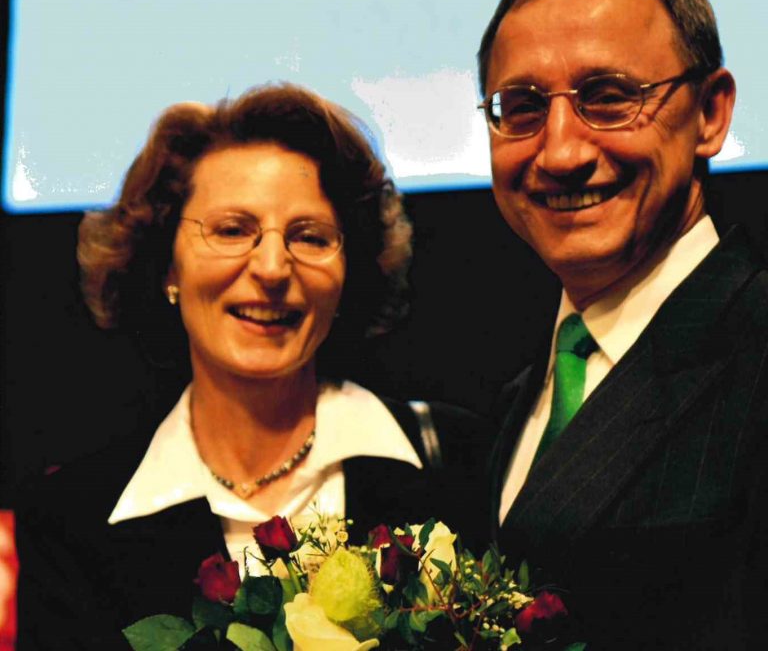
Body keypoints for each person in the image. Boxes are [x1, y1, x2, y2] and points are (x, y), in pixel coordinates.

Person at [14, 83, 490, 649]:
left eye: (309, 237)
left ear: (349, 273)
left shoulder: (460, 461)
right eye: (232, 230)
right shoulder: (70, 521)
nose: (271, 267)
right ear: (167, 265)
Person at [477, 0, 768, 649]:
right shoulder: (516, 398)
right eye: (522, 108)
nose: (561, 152)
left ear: (710, 114)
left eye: (608, 97)